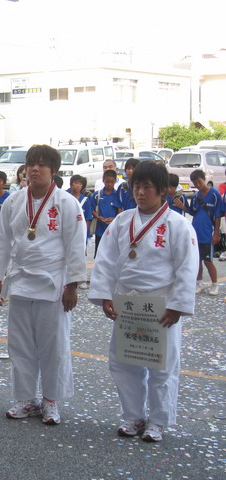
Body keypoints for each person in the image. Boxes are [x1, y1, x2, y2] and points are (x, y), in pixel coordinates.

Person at [89, 160, 199, 442]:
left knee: (162, 365)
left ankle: (158, 421)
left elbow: (187, 267)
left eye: (147, 187)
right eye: (137, 186)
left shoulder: (177, 225)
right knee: (124, 362)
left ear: (162, 191)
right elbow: (105, 260)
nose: (140, 192)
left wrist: (178, 305)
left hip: (161, 305)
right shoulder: (123, 221)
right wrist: (104, 296)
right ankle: (133, 416)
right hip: (128, 302)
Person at [0, 144, 87, 426]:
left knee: (53, 344)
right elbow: (0, 240)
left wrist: (73, 284)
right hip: (20, 280)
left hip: (53, 282)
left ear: (53, 171)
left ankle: (51, 400)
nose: (35, 169)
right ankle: (26, 398)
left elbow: (76, 245)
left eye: (41, 165)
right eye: (31, 164)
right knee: (20, 344)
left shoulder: (66, 203)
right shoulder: (14, 202)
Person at [188, 169, 223, 296]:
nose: (197, 185)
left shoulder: (214, 194)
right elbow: (192, 211)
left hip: (208, 233)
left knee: (208, 261)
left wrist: (216, 233)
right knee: (197, 260)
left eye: (199, 182)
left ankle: (215, 285)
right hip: (195, 232)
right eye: (195, 183)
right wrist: (183, 207)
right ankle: (200, 283)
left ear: (204, 179)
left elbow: (218, 215)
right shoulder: (196, 196)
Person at [92, 170, 122, 258]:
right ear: (103, 180)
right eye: (107, 181)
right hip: (100, 231)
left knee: (112, 255)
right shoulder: (97, 195)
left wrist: (114, 219)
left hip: (113, 231)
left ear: (115, 181)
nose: (109, 184)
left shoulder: (117, 195)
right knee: (99, 255)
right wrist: (98, 217)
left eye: (112, 182)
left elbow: (120, 210)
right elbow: (92, 209)